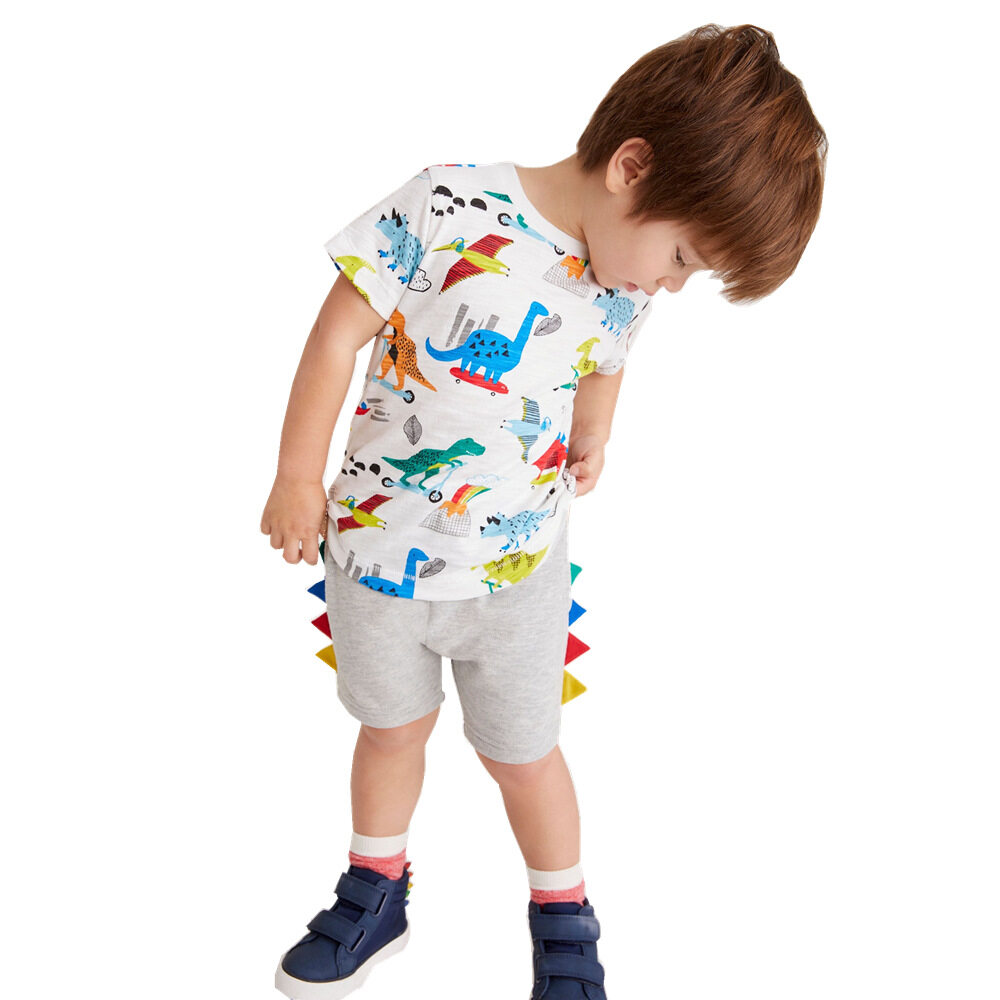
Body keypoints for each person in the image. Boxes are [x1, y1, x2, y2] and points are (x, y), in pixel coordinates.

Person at [260, 22, 827, 1000]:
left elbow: (605, 356)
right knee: (389, 731)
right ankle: (375, 887)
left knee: (525, 757)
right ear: (631, 167)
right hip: (379, 553)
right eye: (681, 257)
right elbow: (335, 337)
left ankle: (563, 915)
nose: (669, 285)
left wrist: (597, 428)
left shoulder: (620, 286)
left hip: (516, 577)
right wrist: (296, 476)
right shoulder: (445, 206)